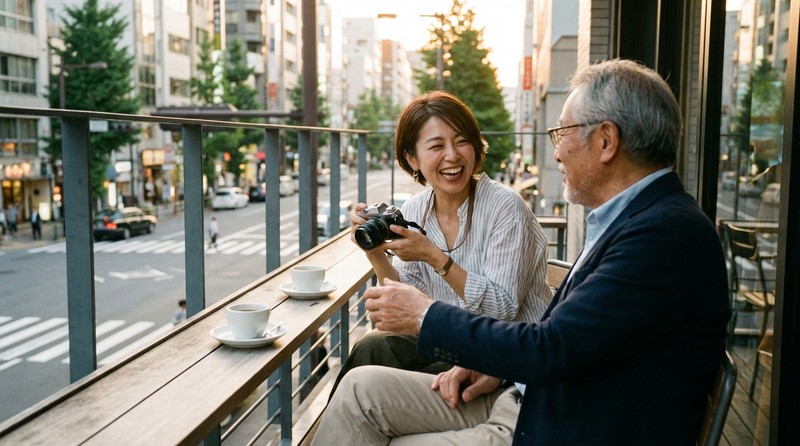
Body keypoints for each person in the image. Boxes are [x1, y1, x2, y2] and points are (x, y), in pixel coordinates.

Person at [313, 59, 731, 445]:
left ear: (605, 141)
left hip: (556, 419)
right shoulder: (638, 220)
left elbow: (551, 348)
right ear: (413, 159)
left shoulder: (661, 235)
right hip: (520, 385)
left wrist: (426, 313)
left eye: (563, 133)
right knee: (359, 386)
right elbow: (573, 341)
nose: (556, 151)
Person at [331, 91, 552, 398]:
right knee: (371, 346)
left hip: (508, 357)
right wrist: (376, 254)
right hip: (454, 347)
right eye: (436, 146)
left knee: (370, 383)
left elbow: (503, 309)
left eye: (461, 141)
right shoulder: (415, 210)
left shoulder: (505, 206)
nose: (453, 155)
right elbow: (402, 299)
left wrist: (436, 257)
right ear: (412, 159)